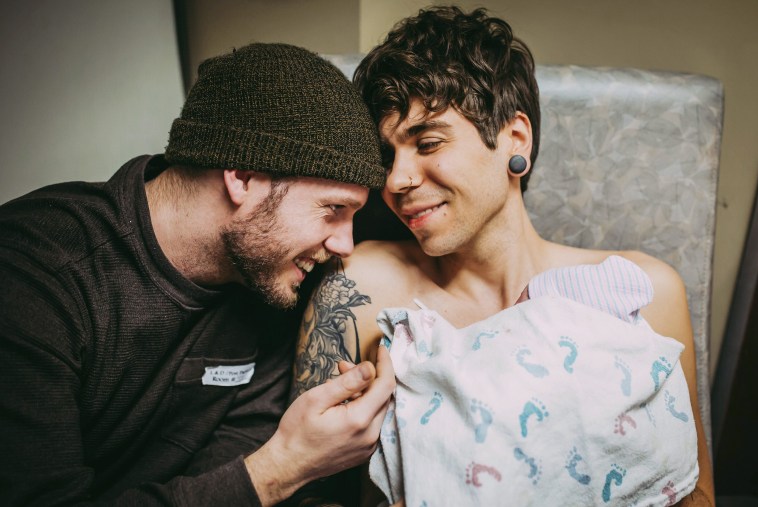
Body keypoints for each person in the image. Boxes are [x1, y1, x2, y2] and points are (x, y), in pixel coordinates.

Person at [291, 6, 714, 507]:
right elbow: (306, 490)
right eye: (387, 157)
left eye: (427, 143)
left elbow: (695, 491)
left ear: (515, 139)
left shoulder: (642, 292)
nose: (395, 181)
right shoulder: (359, 288)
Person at [0, 42, 395, 505]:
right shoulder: (33, 273)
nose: (342, 246)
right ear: (243, 177)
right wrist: (286, 467)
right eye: (333, 209)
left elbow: (227, 468)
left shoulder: (269, 286)